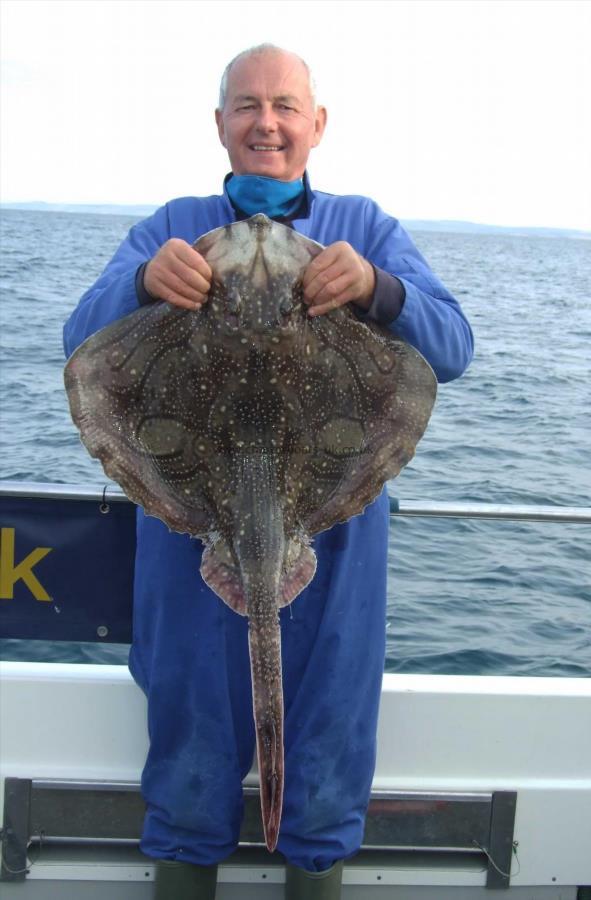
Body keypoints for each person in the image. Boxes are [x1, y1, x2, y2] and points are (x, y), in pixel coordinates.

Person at [64, 44, 473, 900]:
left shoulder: (365, 228)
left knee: (325, 747)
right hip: (190, 534)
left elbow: (452, 346)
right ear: (220, 124)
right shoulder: (171, 223)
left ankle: (314, 865)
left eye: (285, 105)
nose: (266, 122)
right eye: (247, 105)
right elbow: (82, 342)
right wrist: (143, 282)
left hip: (335, 535)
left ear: (315, 125)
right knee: (190, 746)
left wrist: (376, 288)